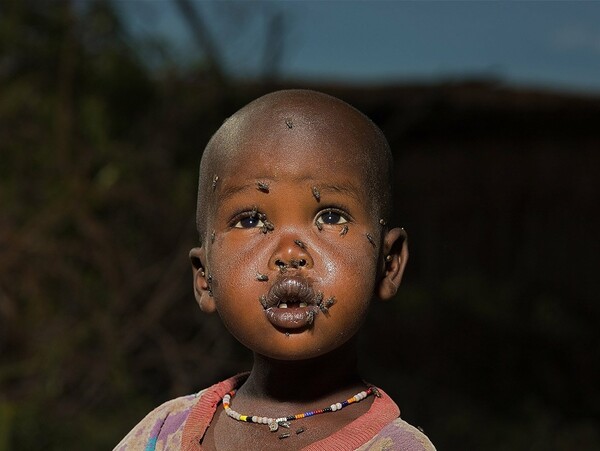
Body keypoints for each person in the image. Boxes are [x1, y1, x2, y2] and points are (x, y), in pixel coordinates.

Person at [115, 90, 435, 450]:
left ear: (388, 263)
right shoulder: (161, 433)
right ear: (204, 278)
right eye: (250, 220)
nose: (289, 253)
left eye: (331, 217)